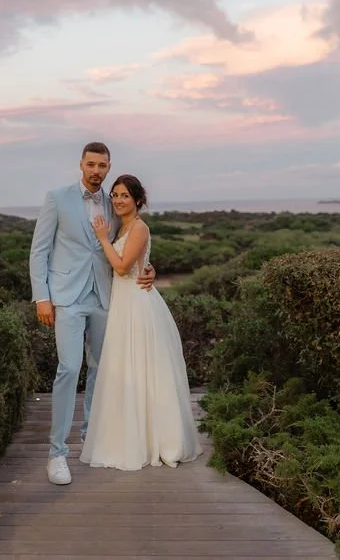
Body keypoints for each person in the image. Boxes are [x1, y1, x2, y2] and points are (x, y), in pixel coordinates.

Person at [29, 142, 156, 485]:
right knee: (69, 368)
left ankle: (91, 435)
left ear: (109, 166)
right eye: (91, 164)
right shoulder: (57, 198)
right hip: (67, 297)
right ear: (81, 165)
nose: (97, 170)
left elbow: (132, 237)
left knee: (100, 368)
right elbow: (38, 251)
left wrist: (148, 268)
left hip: (105, 295)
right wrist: (42, 297)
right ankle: (57, 452)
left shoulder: (116, 202)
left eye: (102, 165)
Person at [79, 174, 202, 471]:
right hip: (123, 304)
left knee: (143, 369)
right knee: (126, 370)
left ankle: (156, 440)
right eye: (115, 195)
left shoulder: (139, 228)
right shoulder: (124, 227)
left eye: (125, 196)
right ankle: (129, 436)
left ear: (137, 200)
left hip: (136, 304)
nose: (119, 200)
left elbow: (121, 268)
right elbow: (136, 263)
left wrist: (102, 239)